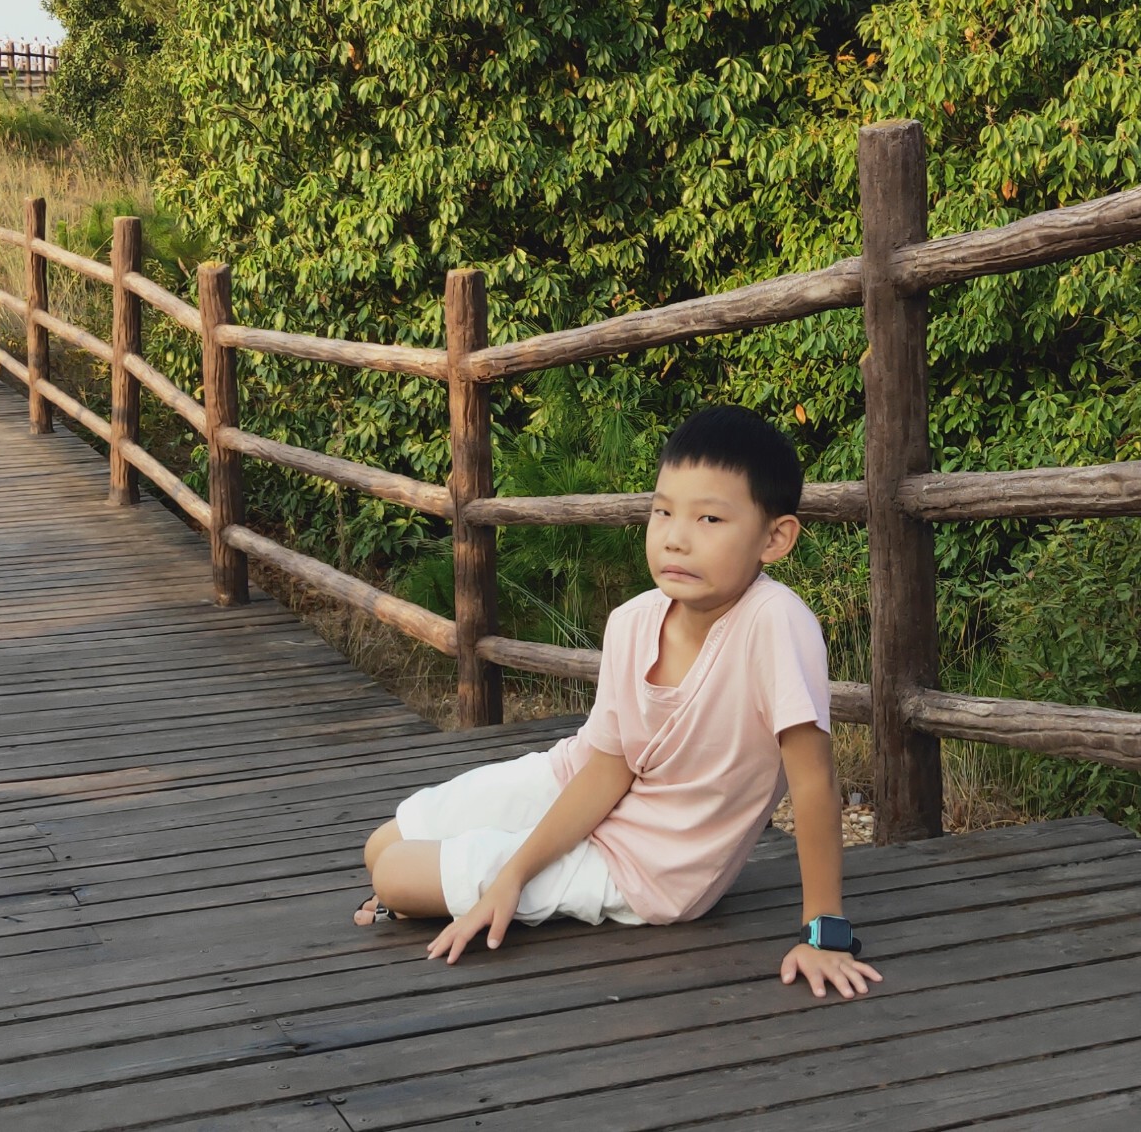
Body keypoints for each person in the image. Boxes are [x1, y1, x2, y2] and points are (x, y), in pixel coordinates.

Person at [354, 404, 883, 1001]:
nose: (676, 537)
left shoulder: (775, 624)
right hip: (578, 785)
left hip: (651, 862)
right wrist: (514, 874)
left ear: (775, 537)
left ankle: (422, 894)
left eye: (710, 518)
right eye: (662, 511)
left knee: (395, 878)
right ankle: (458, 879)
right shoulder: (632, 620)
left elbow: (813, 783)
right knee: (384, 843)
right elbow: (607, 768)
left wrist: (825, 934)